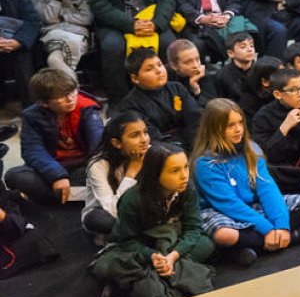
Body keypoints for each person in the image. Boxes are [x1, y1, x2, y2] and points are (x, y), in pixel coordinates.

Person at [191, 99, 300, 266]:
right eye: (230, 125)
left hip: (253, 205)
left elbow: (268, 190)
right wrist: (266, 228)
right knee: (224, 235)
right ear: (215, 129)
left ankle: (258, 243)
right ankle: (292, 237)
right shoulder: (206, 164)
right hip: (221, 211)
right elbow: (229, 204)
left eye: (240, 123)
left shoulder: (251, 150)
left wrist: (281, 225)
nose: (238, 129)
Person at [89, 143, 215, 297]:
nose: (184, 175)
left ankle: (138, 282)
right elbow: (127, 240)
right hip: (142, 244)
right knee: (109, 264)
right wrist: (152, 256)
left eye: (185, 167)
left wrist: (172, 256)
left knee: (207, 244)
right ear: (156, 174)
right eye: (175, 171)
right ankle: (164, 278)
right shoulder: (132, 200)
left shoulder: (187, 189)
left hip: (171, 240)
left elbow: (193, 229)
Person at [3, 69, 103, 205]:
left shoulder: (87, 108)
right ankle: (81, 196)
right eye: (61, 97)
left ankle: (61, 197)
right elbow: (32, 150)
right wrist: (57, 176)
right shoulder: (32, 116)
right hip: (53, 167)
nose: (71, 99)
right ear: (43, 103)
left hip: (84, 166)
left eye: (73, 92)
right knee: (14, 176)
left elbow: (98, 146)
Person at [82, 112, 150, 239]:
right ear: (117, 143)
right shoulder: (98, 165)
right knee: (98, 220)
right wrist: (131, 173)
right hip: (107, 211)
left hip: (141, 209)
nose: (144, 140)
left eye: (145, 132)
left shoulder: (152, 153)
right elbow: (112, 209)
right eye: (135, 135)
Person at [250, 69, 300, 196]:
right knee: (266, 171)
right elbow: (269, 155)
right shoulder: (263, 117)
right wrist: (285, 127)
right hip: (281, 171)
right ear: (278, 94)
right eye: (293, 90)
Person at [116, 48, 201, 147]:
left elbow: (195, 119)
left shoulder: (177, 88)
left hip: (191, 141)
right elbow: (151, 136)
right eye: (149, 69)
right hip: (162, 150)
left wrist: (196, 146)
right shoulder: (130, 105)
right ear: (135, 78)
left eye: (160, 65)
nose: (158, 71)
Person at [30, 0, 92, 79]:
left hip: (79, 36)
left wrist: (61, 16)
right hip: (52, 36)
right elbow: (48, 19)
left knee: (54, 60)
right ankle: (72, 93)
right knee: (70, 42)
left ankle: (68, 92)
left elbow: (86, 19)